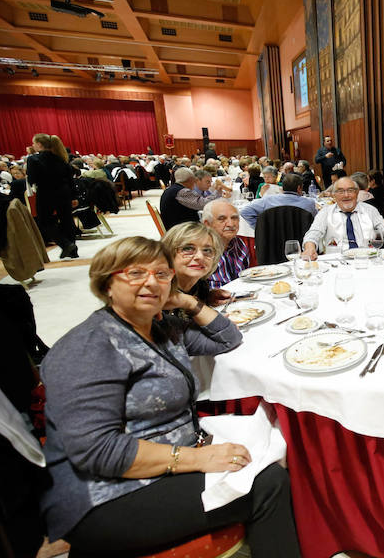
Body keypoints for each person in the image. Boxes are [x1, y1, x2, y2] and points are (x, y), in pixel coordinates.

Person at [39, 237, 300, 556]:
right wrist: (197, 459)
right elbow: (97, 451)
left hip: (164, 459)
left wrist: (188, 302)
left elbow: (228, 339)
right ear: (107, 283)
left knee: (274, 443)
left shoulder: (160, 327)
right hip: (104, 495)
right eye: (135, 273)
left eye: (162, 274)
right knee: (269, 484)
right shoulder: (88, 348)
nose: (151, 281)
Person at [302, 176, 384, 259]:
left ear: (357, 193)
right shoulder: (325, 212)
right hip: (337, 262)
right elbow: (314, 233)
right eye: (341, 191)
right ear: (334, 195)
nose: (346, 195)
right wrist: (309, 248)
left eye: (350, 190)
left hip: (368, 259)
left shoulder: (369, 210)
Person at [26, 133, 79, 258]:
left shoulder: (33, 159)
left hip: (46, 193)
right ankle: (72, 250)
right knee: (67, 220)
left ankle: (66, 244)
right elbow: (70, 179)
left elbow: (32, 179)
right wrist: (74, 196)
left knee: (44, 222)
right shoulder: (60, 158)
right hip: (64, 192)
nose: (33, 146)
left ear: (39, 144)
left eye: (34, 143)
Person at [162, 222, 232, 311]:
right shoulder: (159, 295)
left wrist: (207, 299)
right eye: (187, 249)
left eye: (207, 250)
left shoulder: (200, 286)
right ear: (168, 253)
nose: (200, 257)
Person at [240, 173, 317, 228]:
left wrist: (261, 228)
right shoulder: (309, 203)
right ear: (299, 188)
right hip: (301, 241)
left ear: (282, 187)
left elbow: (244, 211)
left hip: (273, 242)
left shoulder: (268, 200)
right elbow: (316, 221)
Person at [203, 199, 251, 288]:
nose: (230, 224)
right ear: (207, 224)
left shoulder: (239, 244)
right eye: (222, 219)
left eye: (234, 218)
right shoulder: (200, 252)